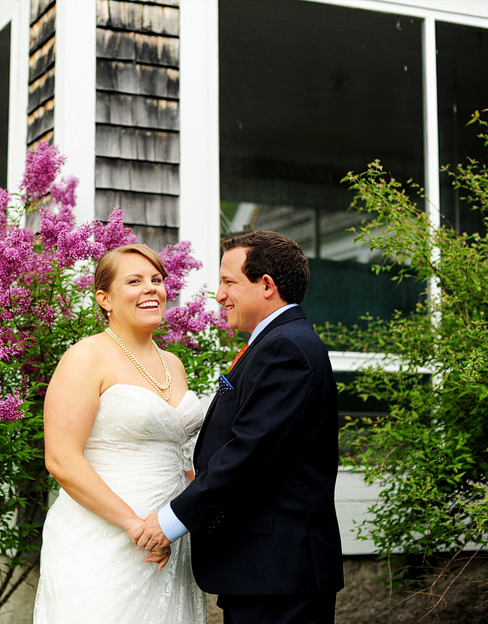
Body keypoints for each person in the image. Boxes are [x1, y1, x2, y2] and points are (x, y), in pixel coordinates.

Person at [133, 230, 345, 624]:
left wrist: (169, 522)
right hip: (264, 572)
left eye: (229, 282)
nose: (218, 295)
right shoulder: (276, 343)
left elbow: (248, 453)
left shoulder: (287, 349)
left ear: (266, 285)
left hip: (279, 574)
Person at [33, 244, 207, 623]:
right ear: (105, 299)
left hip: (170, 536)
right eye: (134, 281)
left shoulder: (173, 364)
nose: (151, 289)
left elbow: (184, 455)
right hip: (104, 539)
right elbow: (61, 459)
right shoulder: (85, 357)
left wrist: (184, 519)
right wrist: (134, 525)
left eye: (157, 280)